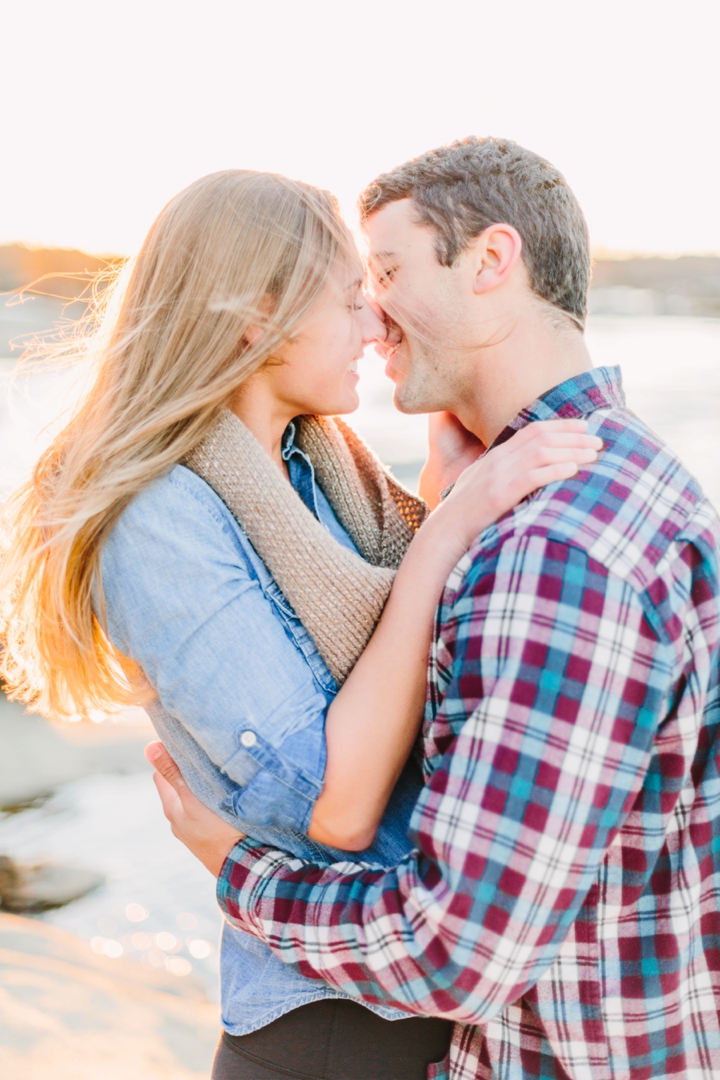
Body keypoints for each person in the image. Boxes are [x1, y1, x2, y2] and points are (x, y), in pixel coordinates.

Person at [0, 167, 600, 1080]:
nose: (376, 324)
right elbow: (336, 808)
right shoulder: (162, 520)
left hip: (418, 1010)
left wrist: (442, 496)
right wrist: (445, 532)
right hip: (329, 1035)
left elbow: (419, 660)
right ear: (257, 316)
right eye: (352, 299)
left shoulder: (320, 468)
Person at [148, 138, 720, 1080]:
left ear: (492, 262)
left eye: (389, 270)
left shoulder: (554, 546)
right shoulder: (628, 474)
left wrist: (239, 868)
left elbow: (453, 955)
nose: (368, 310)